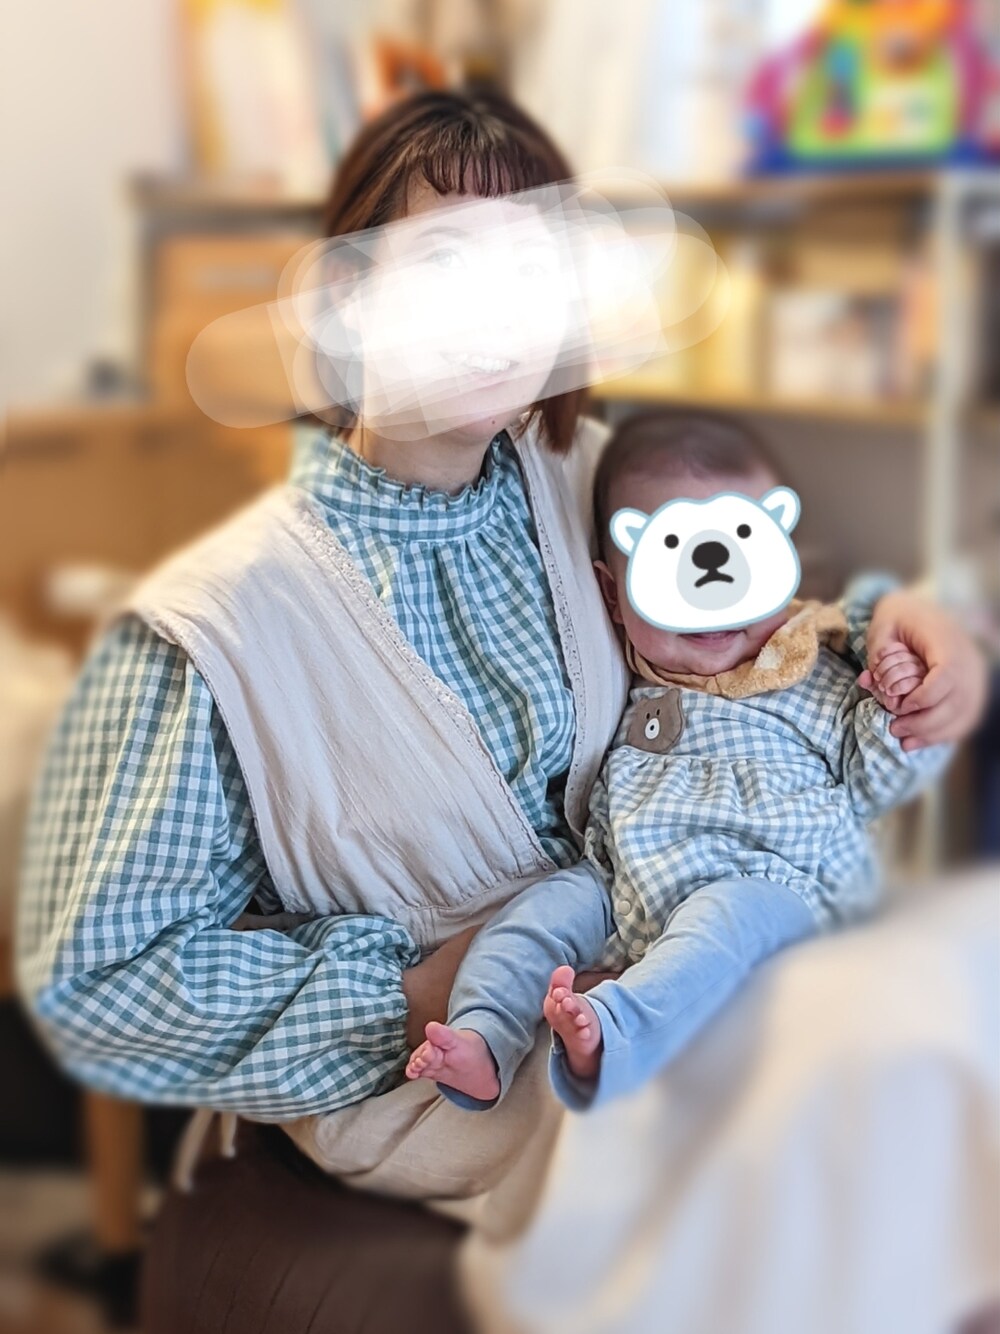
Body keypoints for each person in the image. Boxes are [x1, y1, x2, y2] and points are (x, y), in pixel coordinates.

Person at [16, 92, 984, 1135]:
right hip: (450, 1077)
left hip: (677, 963)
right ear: (346, 296)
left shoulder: (596, 476)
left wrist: (901, 619)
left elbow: (767, 613)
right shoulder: (215, 626)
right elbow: (98, 985)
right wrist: (408, 995)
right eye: (446, 265)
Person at [404, 410, 955, 1110]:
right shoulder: (620, 676)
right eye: (670, 565)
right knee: (532, 918)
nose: (711, 598)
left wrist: (894, 700)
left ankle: (616, 1034)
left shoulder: (806, 667)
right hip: (624, 879)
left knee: (721, 922)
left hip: (773, 888)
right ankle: (481, 1039)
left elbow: (881, 778)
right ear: (614, 596)